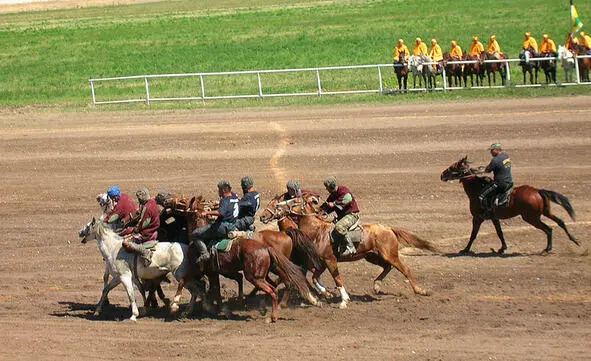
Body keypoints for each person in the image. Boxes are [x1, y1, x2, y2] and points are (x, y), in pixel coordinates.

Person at [190, 180, 239, 267]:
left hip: (223, 227)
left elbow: (221, 213)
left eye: (219, 190)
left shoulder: (225, 200)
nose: (218, 192)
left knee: (195, 234)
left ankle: (204, 253)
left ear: (223, 190)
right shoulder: (235, 197)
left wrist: (207, 213)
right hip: (233, 226)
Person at [320, 176, 360, 257]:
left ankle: (350, 247)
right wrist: (317, 212)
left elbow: (348, 198)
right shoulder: (332, 195)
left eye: (326, 187)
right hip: (343, 217)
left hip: (351, 215)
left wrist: (334, 204)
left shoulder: (343, 190)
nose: (326, 189)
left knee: (339, 227)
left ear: (331, 186)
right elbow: (326, 207)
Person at [121, 188, 161, 266]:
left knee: (126, 242)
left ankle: (145, 252)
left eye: (139, 197)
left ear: (142, 197)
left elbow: (143, 223)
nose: (138, 199)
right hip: (154, 229)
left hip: (147, 233)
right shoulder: (152, 202)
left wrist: (135, 230)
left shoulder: (147, 207)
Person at [476, 144, 513, 218]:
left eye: (492, 150)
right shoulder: (506, 156)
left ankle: (488, 213)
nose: (491, 152)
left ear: (497, 150)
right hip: (509, 181)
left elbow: (487, 170)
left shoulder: (495, 160)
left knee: (481, 196)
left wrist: (480, 171)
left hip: (500, 183)